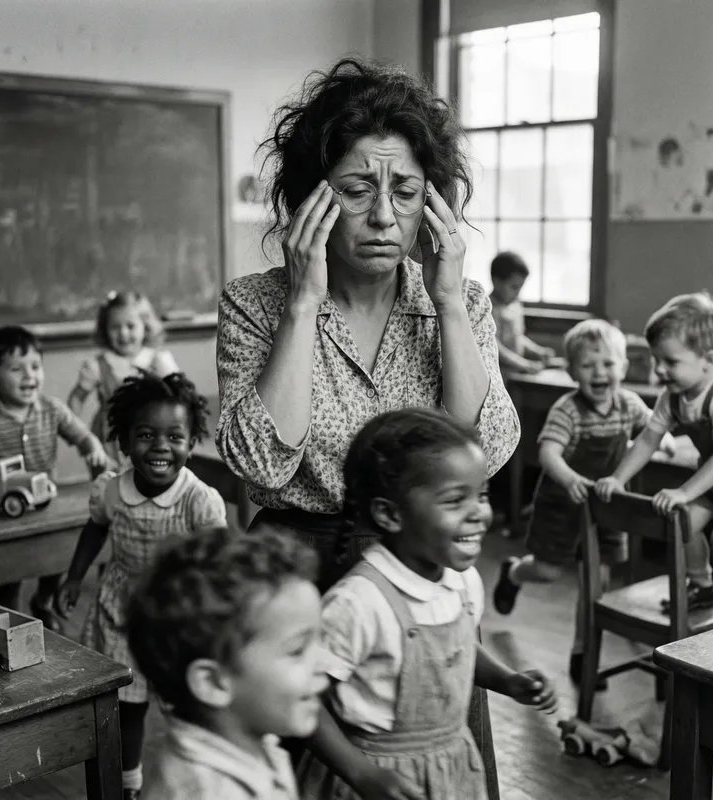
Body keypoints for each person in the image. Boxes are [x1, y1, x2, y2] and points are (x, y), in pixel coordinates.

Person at [215, 57, 520, 796]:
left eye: (406, 192)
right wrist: (303, 304)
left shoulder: (459, 302)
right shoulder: (255, 304)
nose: (385, 216)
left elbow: (482, 451)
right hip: (298, 582)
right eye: (356, 190)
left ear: (432, 204)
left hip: (421, 578)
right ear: (310, 201)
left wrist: (449, 303)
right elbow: (260, 466)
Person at [296, 408, 557, 799]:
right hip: (377, 778)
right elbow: (304, 696)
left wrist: (507, 680)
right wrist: (362, 774)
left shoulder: (463, 583)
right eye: (455, 500)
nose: (480, 513)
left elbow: (457, 649)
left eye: (482, 495)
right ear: (390, 514)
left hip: (452, 768)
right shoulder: (358, 603)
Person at [56, 372, 228, 800]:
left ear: (192, 442)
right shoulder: (112, 490)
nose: (160, 446)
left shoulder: (199, 499)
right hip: (123, 612)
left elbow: (220, 557)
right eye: (146, 435)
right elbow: (95, 529)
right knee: (128, 705)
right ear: (125, 441)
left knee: (184, 707)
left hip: (178, 617)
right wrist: (74, 578)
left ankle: (197, 783)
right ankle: (129, 785)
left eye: (175, 436)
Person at [492, 319, 676, 686]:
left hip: (606, 506)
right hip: (561, 502)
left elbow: (650, 433)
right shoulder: (568, 409)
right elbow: (548, 453)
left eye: (608, 364)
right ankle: (514, 573)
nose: (599, 373)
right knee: (547, 571)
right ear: (573, 371)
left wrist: (665, 442)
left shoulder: (629, 405)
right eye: (588, 365)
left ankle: (583, 653)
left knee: (596, 584)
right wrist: (571, 479)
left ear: (623, 367)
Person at [126, 527, 328, 800]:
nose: (325, 662)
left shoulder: (254, 740)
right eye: (297, 650)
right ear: (213, 683)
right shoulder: (210, 793)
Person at [596, 292, 713, 618]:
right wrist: (617, 478)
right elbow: (648, 440)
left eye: (671, 362)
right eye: (656, 360)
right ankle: (702, 586)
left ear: (709, 360)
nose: (660, 370)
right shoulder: (673, 396)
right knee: (685, 523)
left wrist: (684, 491)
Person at [0, 325, 111, 628]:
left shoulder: (52, 409)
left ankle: (43, 601)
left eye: (35, 366)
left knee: (53, 558)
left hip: (44, 498)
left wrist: (93, 447)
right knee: (11, 568)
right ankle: (9, 615)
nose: (29, 376)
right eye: (16, 369)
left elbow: (82, 435)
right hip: (1, 509)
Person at [67, 290, 179, 477]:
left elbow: (180, 397)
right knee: (110, 485)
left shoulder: (157, 361)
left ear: (145, 326)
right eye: (115, 327)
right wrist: (80, 435)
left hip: (150, 436)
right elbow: (76, 399)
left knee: (148, 482)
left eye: (130, 326)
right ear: (105, 330)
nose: (123, 333)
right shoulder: (98, 365)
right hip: (108, 441)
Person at [489, 251, 557, 374]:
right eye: (514, 287)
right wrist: (524, 364)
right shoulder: (487, 309)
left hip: (515, 370)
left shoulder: (515, 306)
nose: (517, 293)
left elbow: (518, 337)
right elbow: (495, 346)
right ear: (496, 282)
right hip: (497, 372)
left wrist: (538, 351)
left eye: (520, 287)